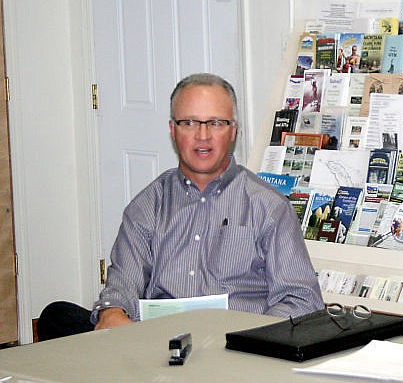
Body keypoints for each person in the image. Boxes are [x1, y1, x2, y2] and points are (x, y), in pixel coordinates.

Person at [38, 73, 322, 339]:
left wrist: (250, 337)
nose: (202, 136)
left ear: (233, 131)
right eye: (189, 123)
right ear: (173, 130)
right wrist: (113, 311)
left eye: (215, 123)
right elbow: (123, 282)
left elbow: (301, 299)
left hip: (234, 349)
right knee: (58, 315)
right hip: (157, 345)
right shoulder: (148, 205)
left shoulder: (268, 207)